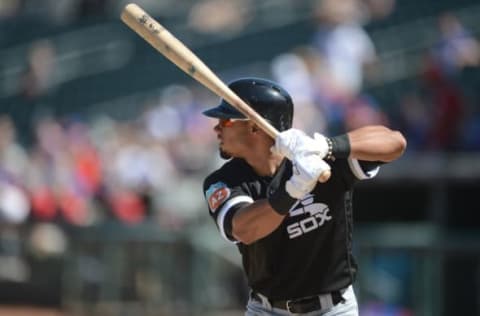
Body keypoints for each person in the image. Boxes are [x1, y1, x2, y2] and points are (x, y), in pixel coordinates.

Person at [202, 77, 406, 315]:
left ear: (255, 127)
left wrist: (327, 147)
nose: (216, 127)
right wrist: (293, 191)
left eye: (226, 120)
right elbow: (244, 229)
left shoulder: (312, 155)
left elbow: (395, 142)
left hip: (333, 308)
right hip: (268, 309)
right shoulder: (223, 180)